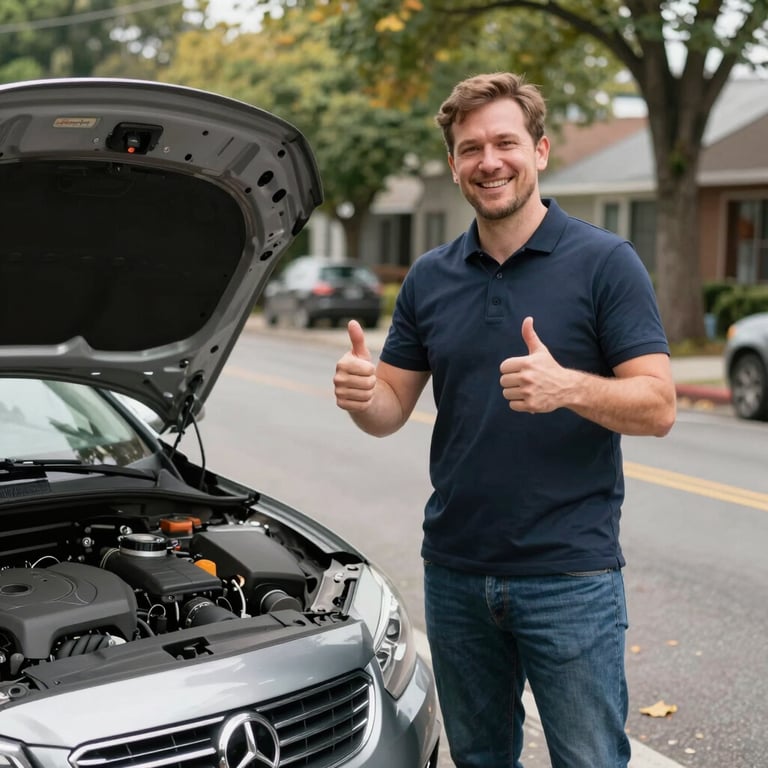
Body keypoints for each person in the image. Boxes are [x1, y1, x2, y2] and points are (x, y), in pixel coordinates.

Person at [333, 72, 676, 768]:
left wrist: (567, 387)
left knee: (590, 760)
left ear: (541, 151)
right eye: (470, 148)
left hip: (568, 576)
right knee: (480, 759)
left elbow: (659, 405)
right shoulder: (431, 277)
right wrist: (362, 393)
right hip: (456, 571)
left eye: (505, 142)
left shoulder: (606, 263)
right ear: (455, 164)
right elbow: (391, 409)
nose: (489, 161)